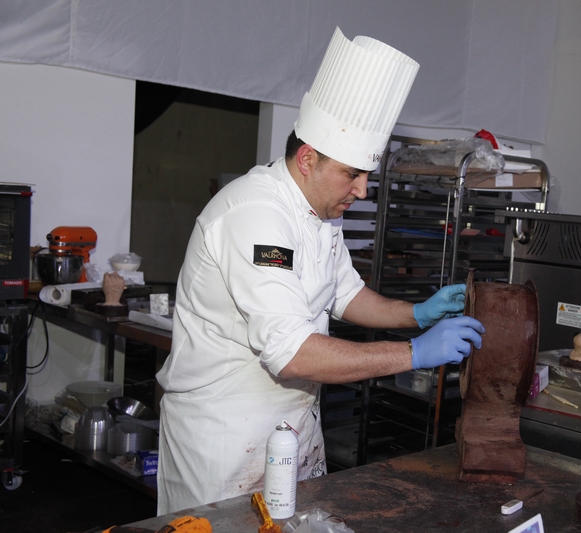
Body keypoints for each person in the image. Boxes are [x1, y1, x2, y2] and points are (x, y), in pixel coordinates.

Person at [156, 28, 485, 515]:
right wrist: (414, 353)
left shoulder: (320, 210)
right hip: (226, 432)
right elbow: (293, 354)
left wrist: (417, 314)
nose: (363, 191)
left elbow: (345, 295)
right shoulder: (256, 215)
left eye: (367, 176)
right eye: (352, 174)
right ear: (308, 158)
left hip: (294, 423)